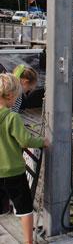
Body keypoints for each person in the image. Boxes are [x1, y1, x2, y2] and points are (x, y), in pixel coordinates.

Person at [0, 73, 49, 244]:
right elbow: (25, 140)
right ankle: (28, 241)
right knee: (24, 209)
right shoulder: (12, 118)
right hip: (14, 172)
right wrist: (42, 141)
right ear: (11, 96)